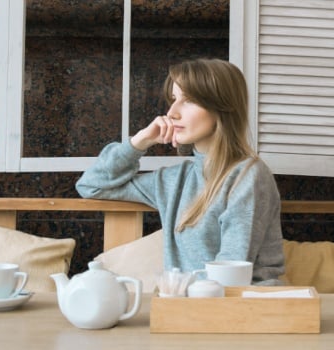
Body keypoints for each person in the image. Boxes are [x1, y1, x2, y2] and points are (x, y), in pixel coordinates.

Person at [76, 58, 284, 285]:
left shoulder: (248, 175)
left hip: (244, 308)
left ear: (221, 107)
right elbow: (91, 185)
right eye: (174, 99)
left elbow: (229, 274)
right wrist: (139, 142)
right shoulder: (175, 180)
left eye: (189, 100)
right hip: (192, 306)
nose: (172, 112)